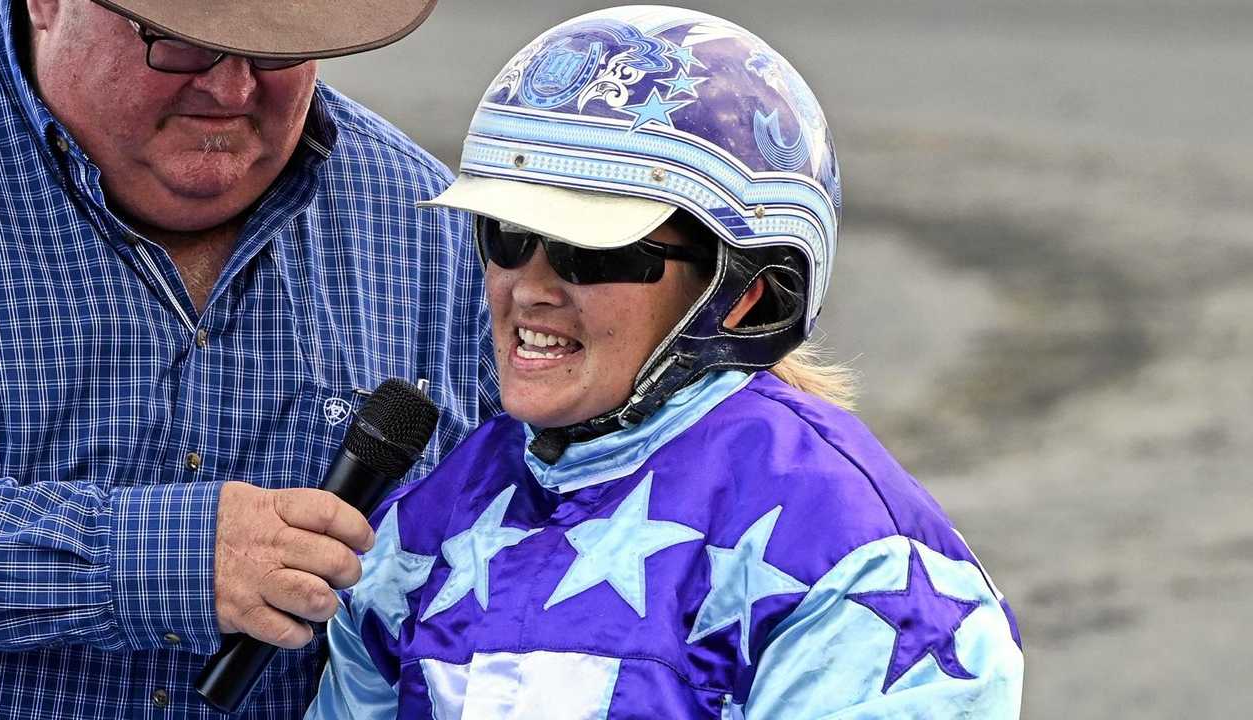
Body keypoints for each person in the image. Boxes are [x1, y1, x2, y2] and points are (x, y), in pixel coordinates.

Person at [309, 6, 1023, 719]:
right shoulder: (416, 532)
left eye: (592, 252)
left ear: (747, 294)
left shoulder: (855, 557)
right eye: (509, 235)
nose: (529, 287)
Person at [0, 0, 499, 717]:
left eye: (275, 47)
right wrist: (162, 558)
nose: (231, 89)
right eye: (180, 41)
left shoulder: (431, 231)